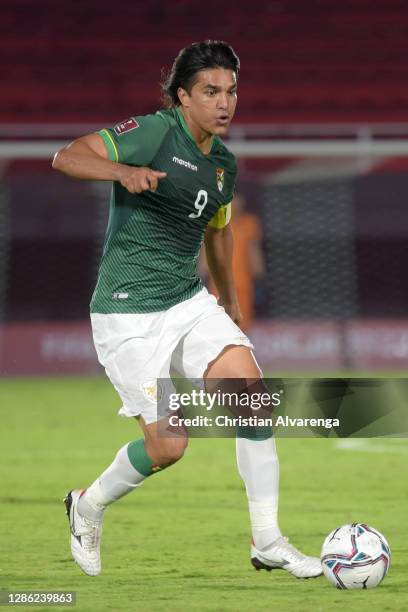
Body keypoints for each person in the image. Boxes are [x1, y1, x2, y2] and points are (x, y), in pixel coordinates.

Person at [52, 40, 322, 579]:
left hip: (186, 299)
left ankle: (267, 539)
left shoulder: (223, 164)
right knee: (170, 446)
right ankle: (87, 505)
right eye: (210, 92)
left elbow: (217, 232)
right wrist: (120, 173)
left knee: (252, 400)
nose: (225, 102)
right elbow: (67, 156)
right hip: (127, 311)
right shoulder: (155, 132)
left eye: (232, 91)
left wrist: (231, 297)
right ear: (183, 96)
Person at [207, 192, 264, 332]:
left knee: (241, 326)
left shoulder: (249, 223)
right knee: (219, 325)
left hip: (243, 285)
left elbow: (254, 254)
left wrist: (259, 272)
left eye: (236, 199)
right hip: (218, 286)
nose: (235, 203)